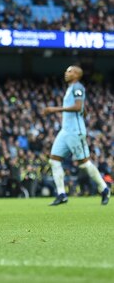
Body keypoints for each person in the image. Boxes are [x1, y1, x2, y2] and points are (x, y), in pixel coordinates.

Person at [43, 65, 110, 206]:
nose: (66, 73)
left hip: (75, 132)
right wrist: (83, 112)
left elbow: (78, 107)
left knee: (84, 165)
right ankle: (61, 194)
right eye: (66, 71)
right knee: (54, 160)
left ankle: (104, 189)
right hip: (65, 131)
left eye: (70, 71)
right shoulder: (70, 88)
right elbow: (82, 109)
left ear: (77, 75)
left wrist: (54, 109)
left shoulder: (77, 87)